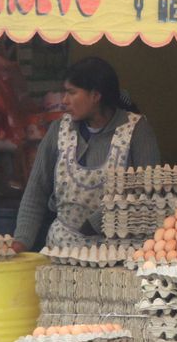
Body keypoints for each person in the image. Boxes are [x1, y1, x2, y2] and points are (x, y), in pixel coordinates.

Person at [12, 56, 160, 252]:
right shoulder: (59, 129)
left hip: (116, 252)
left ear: (95, 95)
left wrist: (96, 222)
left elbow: (150, 194)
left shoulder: (135, 130)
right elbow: (36, 191)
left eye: (72, 93)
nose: (64, 101)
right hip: (62, 249)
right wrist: (20, 242)